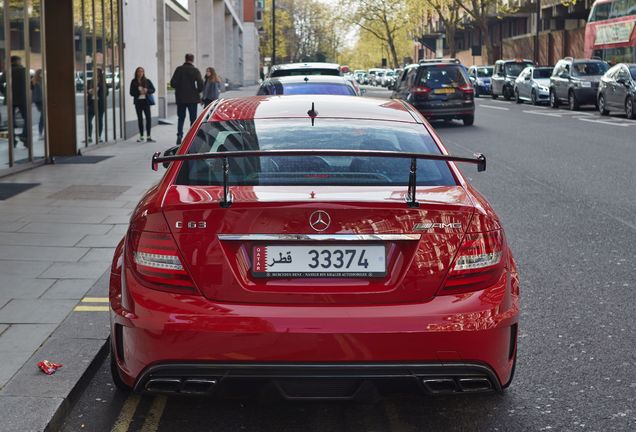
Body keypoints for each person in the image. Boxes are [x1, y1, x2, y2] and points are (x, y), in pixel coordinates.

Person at [170, 53, 203, 144]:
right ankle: (192, 138)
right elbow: (201, 84)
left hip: (180, 98)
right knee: (193, 119)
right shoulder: (195, 70)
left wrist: (180, 87)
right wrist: (197, 91)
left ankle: (179, 135)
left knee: (181, 118)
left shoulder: (179, 69)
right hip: (192, 98)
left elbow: (173, 83)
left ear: (185, 59)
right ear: (192, 60)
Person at [0, 56, 29, 147]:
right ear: (16, 61)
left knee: (11, 121)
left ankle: (12, 140)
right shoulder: (23, 70)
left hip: (10, 98)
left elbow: (0, 82)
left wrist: (5, 91)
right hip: (22, 98)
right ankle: (24, 136)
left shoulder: (7, 72)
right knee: (27, 118)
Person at [129, 66, 156, 142]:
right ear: (136, 73)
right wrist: (138, 92)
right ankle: (141, 136)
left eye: (142, 71)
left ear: (143, 73)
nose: (140, 73)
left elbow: (153, 89)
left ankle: (148, 136)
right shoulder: (133, 81)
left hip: (146, 102)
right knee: (140, 119)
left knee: (148, 119)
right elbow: (131, 92)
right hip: (138, 102)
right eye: (138, 71)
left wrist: (147, 90)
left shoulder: (147, 81)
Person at [87, 68, 108, 143]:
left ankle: (99, 137)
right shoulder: (89, 81)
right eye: (94, 72)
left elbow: (107, 93)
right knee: (88, 120)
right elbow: (87, 91)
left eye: (97, 72)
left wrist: (98, 92)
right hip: (91, 103)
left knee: (99, 120)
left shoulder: (103, 82)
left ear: (99, 74)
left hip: (100, 104)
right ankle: (89, 136)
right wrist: (89, 91)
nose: (95, 74)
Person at [32, 69, 44, 140]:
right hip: (40, 100)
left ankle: (41, 133)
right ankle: (40, 133)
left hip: (39, 100)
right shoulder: (35, 81)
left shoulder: (34, 80)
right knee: (43, 116)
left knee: (43, 116)